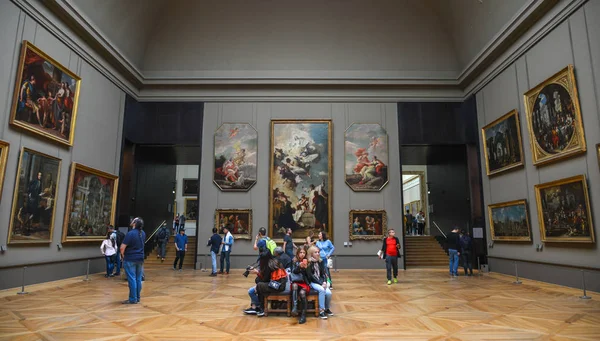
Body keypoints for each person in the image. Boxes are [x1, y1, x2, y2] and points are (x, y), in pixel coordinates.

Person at [120, 217, 146, 304]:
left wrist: (123, 256)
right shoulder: (143, 233)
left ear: (134, 223)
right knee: (138, 279)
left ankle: (132, 299)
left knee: (132, 279)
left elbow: (122, 247)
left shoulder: (130, 233)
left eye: (133, 220)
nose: (131, 221)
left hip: (130, 258)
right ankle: (137, 297)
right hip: (140, 258)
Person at [306, 246, 333, 319]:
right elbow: (311, 276)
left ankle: (327, 308)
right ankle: (321, 311)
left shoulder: (320, 261)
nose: (318, 253)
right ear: (311, 254)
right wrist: (321, 283)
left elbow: (324, 274)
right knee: (321, 290)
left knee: (329, 293)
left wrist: (324, 282)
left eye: (318, 252)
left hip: (321, 282)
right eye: (315, 252)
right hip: (312, 282)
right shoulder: (308, 263)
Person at [291, 247, 310, 324]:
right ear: (298, 253)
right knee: (294, 286)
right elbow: (293, 271)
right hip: (296, 282)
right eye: (300, 252)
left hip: (305, 283)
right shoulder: (294, 261)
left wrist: (306, 269)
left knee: (302, 293)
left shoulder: (309, 262)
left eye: (304, 253)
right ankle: (295, 307)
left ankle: (303, 315)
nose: (302, 254)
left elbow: (310, 276)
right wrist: (299, 266)